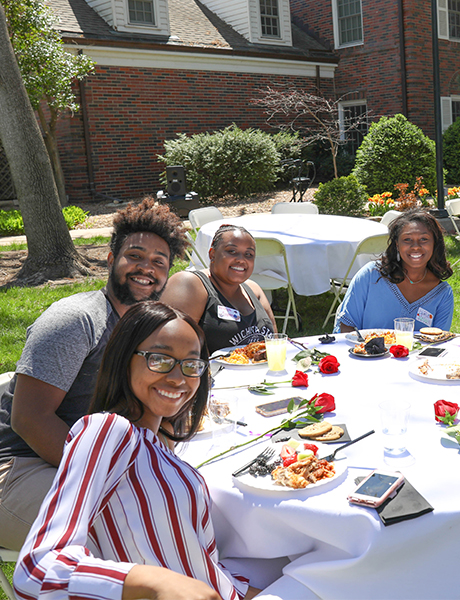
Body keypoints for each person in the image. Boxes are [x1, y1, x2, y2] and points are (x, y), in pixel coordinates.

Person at [14, 301, 261, 600]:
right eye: (160, 359)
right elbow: (37, 570)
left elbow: (198, 564)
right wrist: (153, 582)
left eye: (191, 364)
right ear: (124, 358)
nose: (178, 378)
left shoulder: (160, 448)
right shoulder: (108, 431)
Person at [0, 198, 187, 551]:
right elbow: (29, 418)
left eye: (158, 262)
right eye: (134, 256)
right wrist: (106, 476)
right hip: (20, 468)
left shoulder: (142, 329)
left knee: (182, 496)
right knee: (139, 525)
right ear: (110, 259)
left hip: (78, 462)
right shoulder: (77, 320)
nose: (145, 268)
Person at [161, 224, 277, 354]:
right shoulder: (190, 284)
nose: (241, 260)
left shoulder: (254, 289)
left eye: (248, 254)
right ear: (212, 254)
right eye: (231, 251)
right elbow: (167, 348)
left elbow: (276, 344)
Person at [333, 209, 454, 333]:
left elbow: (438, 342)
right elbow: (346, 327)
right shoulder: (370, 276)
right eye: (407, 239)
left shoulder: (443, 294)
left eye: (424, 239)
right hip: (362, 351)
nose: (416, 246)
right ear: (397, 244)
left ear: (435, 243)